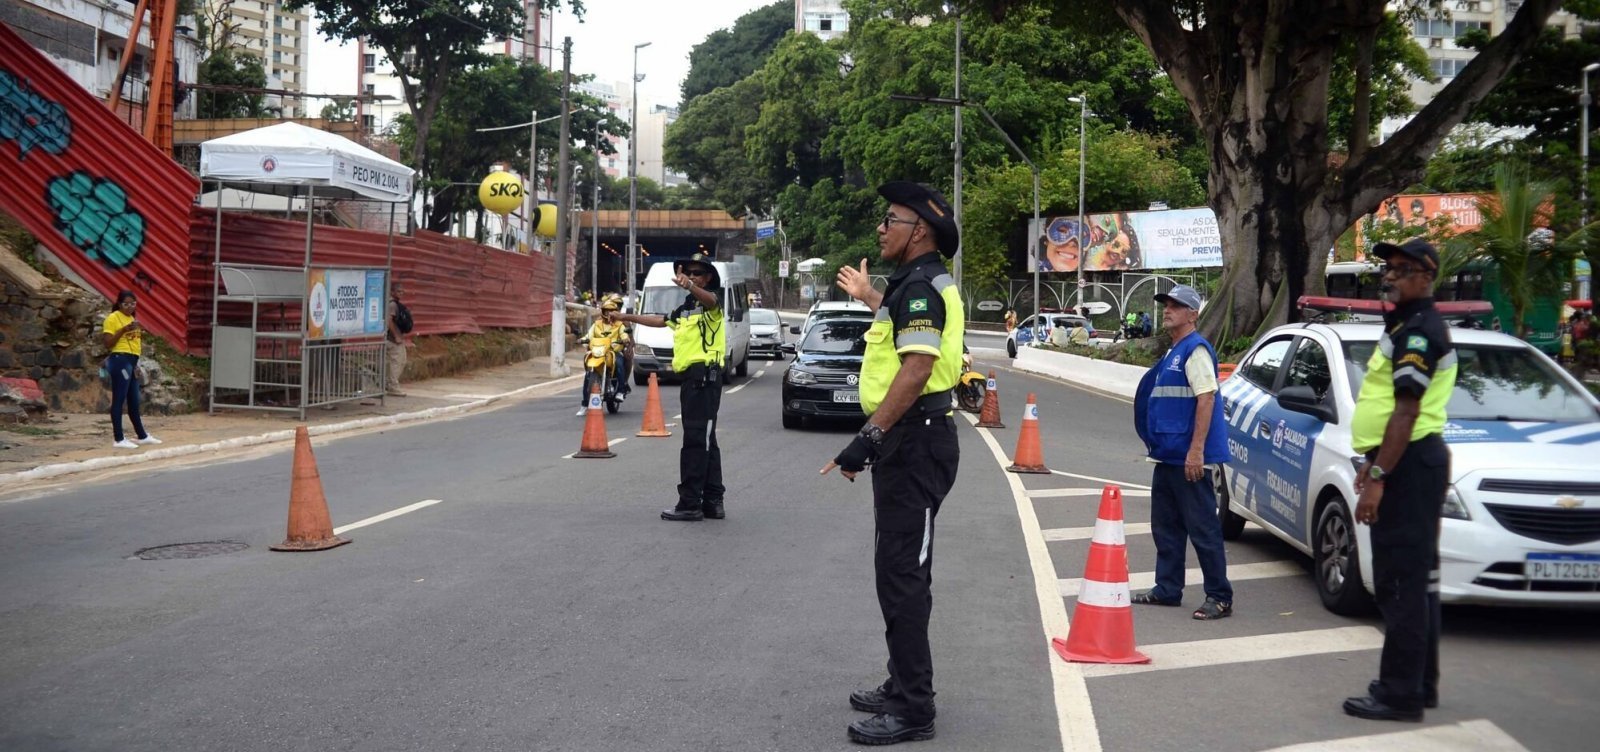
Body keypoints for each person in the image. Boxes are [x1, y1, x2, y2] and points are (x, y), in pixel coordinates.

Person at [823, 181, 963, 746]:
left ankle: (913, 708)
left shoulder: (922, 288)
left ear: (919, 231)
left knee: (903, 576)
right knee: (897, 572)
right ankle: (900, 682)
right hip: (910, 443)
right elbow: (904, 325)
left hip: (914, 442)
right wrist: (867, 295)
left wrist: (869, 436)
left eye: (891, 220)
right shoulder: (912, 285)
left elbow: (918, 366)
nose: (881, 228)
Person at [1343, 238, 1457, 723]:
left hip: (1408, 465)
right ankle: (1420, 684)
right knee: (1419, 582)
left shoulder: (1418, 332)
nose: (1389, 276)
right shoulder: (1407, 324)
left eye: (1401, 269)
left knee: (1399, 585)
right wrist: (1372, 462)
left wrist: (1379, 476)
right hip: (1409, 462)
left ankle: (1398, 695)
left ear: (1426, 277)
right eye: (1387, 267)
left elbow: (1406, 411)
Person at [1131, 284, 1233, 620]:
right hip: (1167, 456)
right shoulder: (1173, 352)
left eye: (1176, 306)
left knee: (1203, 529)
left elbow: (1207, 398)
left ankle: (1219, 596)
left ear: (1193, 314)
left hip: (1189, 460)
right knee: (1166, 528)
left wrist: (1196, 452)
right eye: (1166, 304)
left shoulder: (1195, 350)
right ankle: (1167, 589)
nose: (1168, 309)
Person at [612, 253, 727, 522]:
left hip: (704, 380)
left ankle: (690, 504)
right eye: (689, 272)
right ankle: (712, 501)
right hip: (691, 381)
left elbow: (710, 301)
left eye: (698, 273)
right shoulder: (686, 307)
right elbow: (661, 320)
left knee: (695, 444)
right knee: (706, 441)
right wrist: (626, 317)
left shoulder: (712, 302)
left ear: (707, 277)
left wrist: (689, 285)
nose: (692, 275)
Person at [101, 290, 160, 449]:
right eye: (126, 304)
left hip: (131, 362)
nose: (130, 307)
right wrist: (123, 330)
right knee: (119, 399)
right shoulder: (113, 318)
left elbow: (134, 344)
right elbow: (108, 343)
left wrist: (136, 365)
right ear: (119, 304)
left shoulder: (132, 318)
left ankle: (142, 436)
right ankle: (119, 439)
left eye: (133, 304)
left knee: (134, 400)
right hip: (120, 360)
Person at [577, 293, 633, 415]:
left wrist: (625, 339)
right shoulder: (597, 324)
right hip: (598, 351)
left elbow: (625, 334)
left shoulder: (620, 324)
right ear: (602, 311)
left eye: (612, 311)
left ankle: (621, 390)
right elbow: (590, 334)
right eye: (606, 311)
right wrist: (583, 339)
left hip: (613, 351)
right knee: (588, 374)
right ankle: (585, 404)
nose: (609, 314)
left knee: (619, 363)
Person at [387, 280, 410, 397]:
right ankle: (392, 386)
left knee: (401, 361)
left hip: (397, 338)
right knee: (397, 362)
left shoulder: (395, 304)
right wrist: (396, 335)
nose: (400, 293)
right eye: (398, 291)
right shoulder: (392, 305)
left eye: (402, 291)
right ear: (392, 292)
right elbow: (389, 320)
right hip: (392, 339)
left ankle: (391, 384)